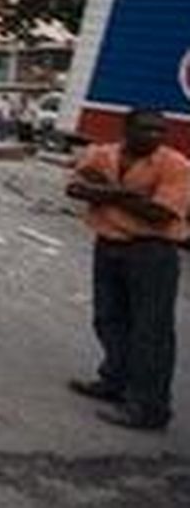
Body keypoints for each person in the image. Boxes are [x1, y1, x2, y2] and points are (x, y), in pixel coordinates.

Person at [65, 108, 189, 431]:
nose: (154, 137)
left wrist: (105, 192)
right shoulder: (102, 154)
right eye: (146, 130)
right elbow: (75, 188)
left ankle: (149, 407)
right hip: (108, 246)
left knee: (151, 332)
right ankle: (115, 381)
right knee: (108, 318)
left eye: (160, 131)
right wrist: (128, 195)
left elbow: (159, 214)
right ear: (127, 129)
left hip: (151, 252)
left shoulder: (176, 166)